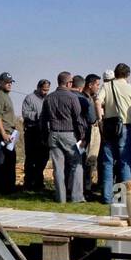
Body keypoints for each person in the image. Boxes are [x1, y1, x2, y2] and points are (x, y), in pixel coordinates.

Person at [38, 72, 88, 203]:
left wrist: (44, 137)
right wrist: (82, 136)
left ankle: (61, 197)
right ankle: (77, 197)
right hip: (69, 134)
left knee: (58, 168)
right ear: (67, 83)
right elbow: (78, 118)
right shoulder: (72, 98)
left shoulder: (49, 98)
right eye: (71, 82)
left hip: (53, 134)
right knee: (77, 165)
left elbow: (43, 120)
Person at [98, 63, 131, 202]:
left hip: (109, 126)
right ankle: (123, 197)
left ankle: (106, 197)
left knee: (108, 162)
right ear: (128, 75)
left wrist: (100, 119)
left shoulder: (106, 86)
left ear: (115, 74)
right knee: (125, 162)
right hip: (125, 127)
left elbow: (98, 101)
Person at [0, 72, 19, 195]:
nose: (9, 84)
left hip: (10, 134)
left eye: (10, 82)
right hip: (4, 135)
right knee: (1, 161)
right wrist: (2, 133)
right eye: (7, 82)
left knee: (10, 161)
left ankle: (9, 187)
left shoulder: (6, 96)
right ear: (0, 82)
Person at [21, 78, 51, 191]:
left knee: (43, 158)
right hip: (32, 132)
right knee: (31, 159)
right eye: (44, 90)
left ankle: (38, 182)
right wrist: (40, 115)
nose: (45, 92)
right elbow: (25, 113)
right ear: (38, 88)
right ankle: (28, 183)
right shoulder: (29, 98)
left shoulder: (48, 99)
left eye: (47, 90)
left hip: (43, 133)